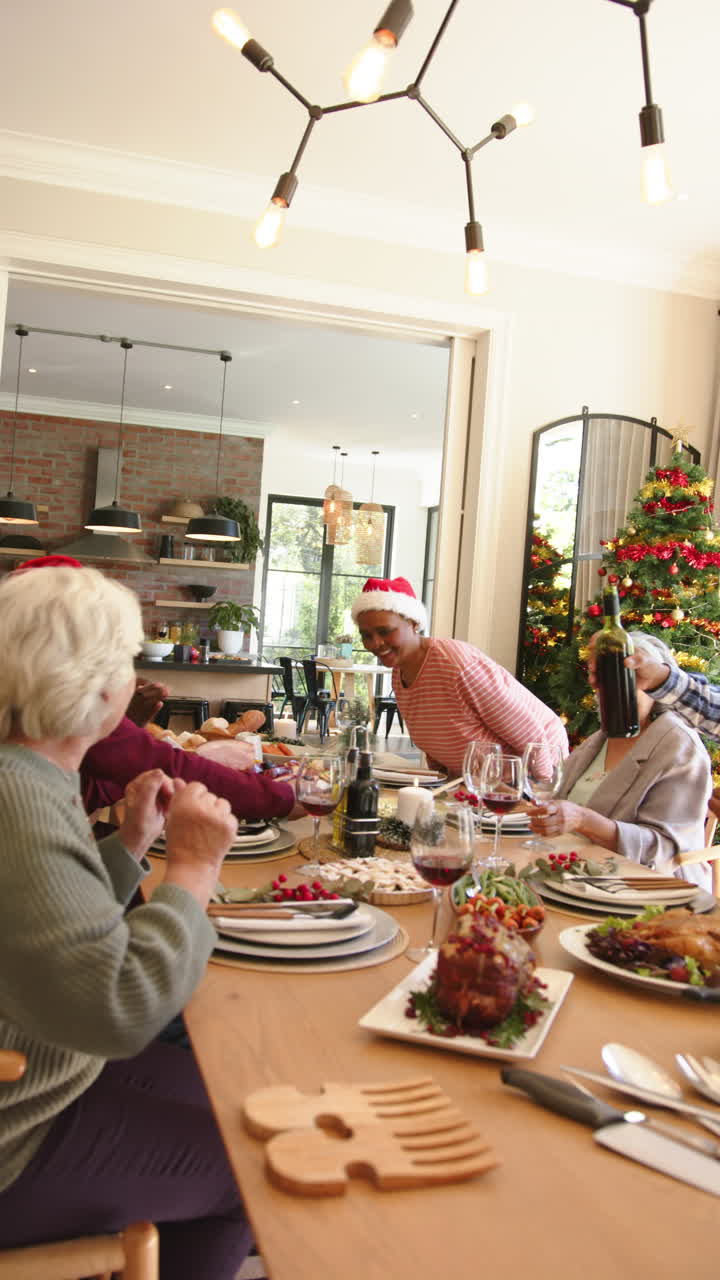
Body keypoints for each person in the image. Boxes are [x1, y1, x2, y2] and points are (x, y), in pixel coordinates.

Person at [0, 564, 251, 1278]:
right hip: (20, 1129)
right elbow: (120, 1007)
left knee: (234, 1095)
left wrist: (132, 845)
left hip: (50, 1072)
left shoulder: (27, 777)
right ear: (100, 684)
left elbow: (43, 928)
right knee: (249, 1176)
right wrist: (195, 867)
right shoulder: (21, 800)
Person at [13, 556, 303, 825]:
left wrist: (127, 726)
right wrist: (285, 798)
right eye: (122, 657)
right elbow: (161, 764)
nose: (128, 676)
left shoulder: (27, 715)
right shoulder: (70, 709)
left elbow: (91, 784)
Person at [528, 631, 712, 884]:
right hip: (575, 874)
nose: (609, 693)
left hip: (646, 889)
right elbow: (556, 799)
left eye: (623, 683)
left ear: (652, 686)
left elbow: (666, 851)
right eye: (602, 683)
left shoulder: (679, 747)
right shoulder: (600, 740)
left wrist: (584, 820)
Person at [350, 575, 568, 777]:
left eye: (385, 631)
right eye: (366, 635)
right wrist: (441, 783)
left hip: (525, 776)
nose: (375, 643)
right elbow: (433, 739)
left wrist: (542, 792)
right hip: (477, 782)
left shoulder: (457, 663)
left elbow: (530, 734)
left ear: (414, 622)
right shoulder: (400, 671)